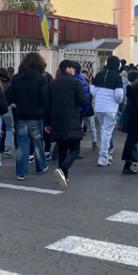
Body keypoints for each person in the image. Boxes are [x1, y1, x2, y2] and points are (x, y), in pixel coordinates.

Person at [5, 52, 49, 180]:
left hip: (21, 115)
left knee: (22, 145)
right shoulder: (41, 78)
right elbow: (44, 98)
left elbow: (10, 96)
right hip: (36, 115)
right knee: (37, 142)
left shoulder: (16, 78)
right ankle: (41, 166)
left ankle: (21, 172)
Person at [46, 60, 87, 190]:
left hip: (57, 120)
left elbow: (47, 105)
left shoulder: (53, 84)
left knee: (62, 149)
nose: (74, 70)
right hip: (72, 119)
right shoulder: (75, 83)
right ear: (67, 68)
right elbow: (83, 101)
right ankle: (63, 169)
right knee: (75, 149)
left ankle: (64, 177)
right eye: (72, 68)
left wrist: (47, 123)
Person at [92, 55, 124, 167]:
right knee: (106, 133)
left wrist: (99, 96)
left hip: (98, 108)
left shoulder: (98, 74)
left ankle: (105, 154)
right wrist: (117, 102)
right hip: (110, 108)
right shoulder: (117, 77)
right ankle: (103, 157)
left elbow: (92, 90)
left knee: (103, 131)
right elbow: (119, 95)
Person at [74, 64, 97, 151]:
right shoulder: (88, 86)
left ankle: (93, 142)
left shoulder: (80, 83)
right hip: (88, 109)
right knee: (91, 127)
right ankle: (94, 142)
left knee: (84, 127)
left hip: (82, 110)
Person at [0, 67, 15, 156]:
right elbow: (11, 96)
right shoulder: (9, 83)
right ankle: (7, 148)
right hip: (7, 108)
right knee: (9, 128)